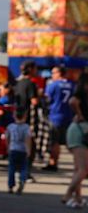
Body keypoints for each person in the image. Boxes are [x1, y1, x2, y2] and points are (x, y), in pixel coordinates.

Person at [63, 73, 88, 208]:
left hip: (78, 131)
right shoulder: (81, 95)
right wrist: (80, 115)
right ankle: (68, 194)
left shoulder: (83, 96)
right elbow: (72, 101)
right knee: (83, 170)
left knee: (79, 169)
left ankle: (78, 198)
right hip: (80, 131)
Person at [43, 66, 74, 171]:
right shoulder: (72, 85)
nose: (52, 75)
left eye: (53, 73)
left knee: (54, 141)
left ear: (59, 73)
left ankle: (53, 163)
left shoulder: (53, 85)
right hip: (69, 116)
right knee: (70, 142)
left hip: (55, 115)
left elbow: (47, 99)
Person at [14, 60, 39, 181]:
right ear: (31, 69)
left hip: (16, 117)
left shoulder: (17, 83)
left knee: (18, 144)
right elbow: (34, 101)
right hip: (28, 118)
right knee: (30, 146)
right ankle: (25, 172)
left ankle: (17, 170)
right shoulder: (30, 84)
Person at [6, 107, 31, 195]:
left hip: (13, 148)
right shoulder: (26, 127)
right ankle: (22, 179)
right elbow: (27, 139)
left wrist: (7, 147)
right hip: (23, 149)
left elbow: (7, 138)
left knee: (11, 168)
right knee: (23, 167)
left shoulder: (10, 127)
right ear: (25, 116)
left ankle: (10, 185)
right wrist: (28, 149)